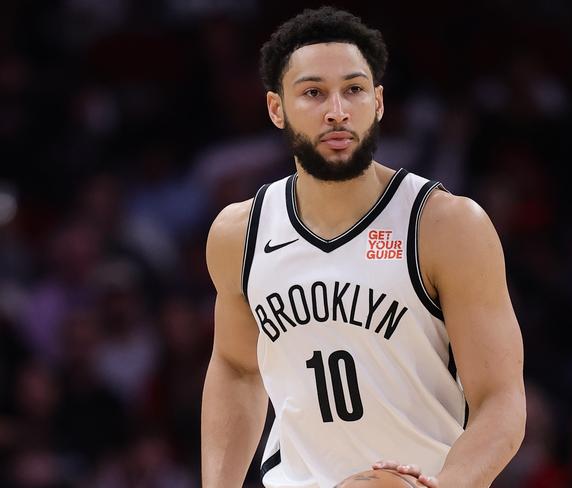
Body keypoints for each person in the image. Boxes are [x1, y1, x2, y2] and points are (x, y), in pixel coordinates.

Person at [201, 6, 526, 488]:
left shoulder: (446, 225)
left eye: (353, 89)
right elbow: (236, 368)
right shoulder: (239, 233)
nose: (337, 111)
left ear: (377, 101)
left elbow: (501, 401)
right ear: (276, 108)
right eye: (313, 93)